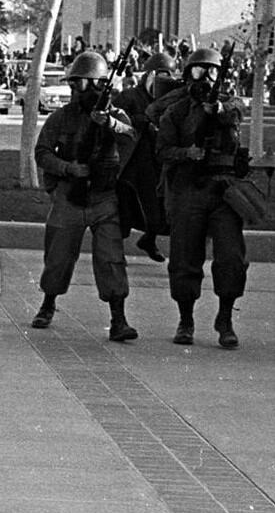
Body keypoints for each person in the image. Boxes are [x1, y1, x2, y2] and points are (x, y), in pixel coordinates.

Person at [30, 52, 140, 342]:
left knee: (111, 259)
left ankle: (119, 319)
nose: (79, 90)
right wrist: (67, 168)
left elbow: (131, 136)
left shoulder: (115, 115)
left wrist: (109, 124)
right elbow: (41, 152)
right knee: (58, 257)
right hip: (69, 196)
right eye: (75, 84)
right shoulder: (61, 117)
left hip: (104, 198)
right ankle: (48, 304)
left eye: (84, 84)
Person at [156, 48, 248, 348]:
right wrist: (188, 153)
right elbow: (162, 150)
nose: (206, 78)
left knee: (232, 258)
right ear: (187, 75)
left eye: (211, 72)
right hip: (189, 188)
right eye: (198, 71)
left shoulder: (229, 104)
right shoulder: (177, 111)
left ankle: (225, 318)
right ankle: (186, 319)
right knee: (184, 258)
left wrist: (217, 111)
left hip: (223, 190)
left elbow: (236, 112)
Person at [114, 52, 176, 262]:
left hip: (155, 162)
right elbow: (116, 119)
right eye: (158, 75)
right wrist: (141, 121)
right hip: (130, 161)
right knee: (124, 208)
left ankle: (149, 239)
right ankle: (115, 252)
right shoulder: (130, 96)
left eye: (166, 76)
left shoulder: (170, 100)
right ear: (148, 75)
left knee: (157, 209)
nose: (161, 81)